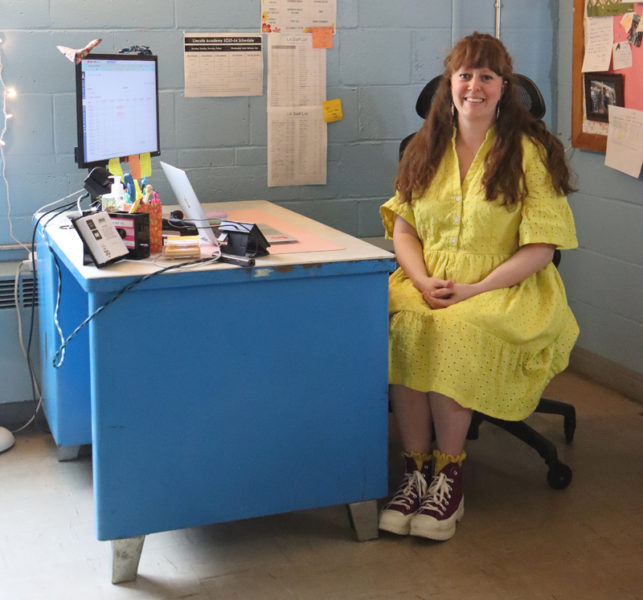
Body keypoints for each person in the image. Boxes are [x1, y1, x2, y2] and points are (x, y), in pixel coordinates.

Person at [378, 32, 578, 541]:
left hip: (505, 285)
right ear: (449, 85)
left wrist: (474, 289)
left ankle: (449, 476)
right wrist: (421, 280)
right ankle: (415, 472)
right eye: (464, 75)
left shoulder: (529, 152)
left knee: (453, 332)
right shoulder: (425, 148)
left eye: (486, 76)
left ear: (503, 88)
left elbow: (541, 249)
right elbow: (404, 227)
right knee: (403, 325)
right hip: (428, 279)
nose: (474, 86)